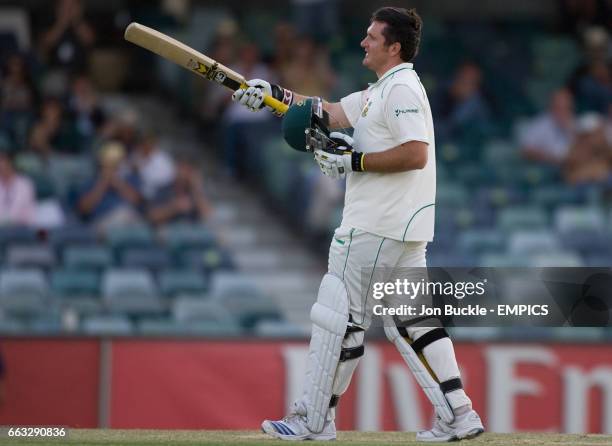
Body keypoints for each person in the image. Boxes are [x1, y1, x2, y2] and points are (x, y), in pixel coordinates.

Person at [232, 7, 483, 442]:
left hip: (375, 227)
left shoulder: (401, 90)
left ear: (394, 46)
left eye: (372, 37)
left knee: (338, 319)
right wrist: (272, 96)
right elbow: (325, 112)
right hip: (399, 228)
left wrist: (354, 160)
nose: (363, 43)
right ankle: (459, 413)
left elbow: (415, 152)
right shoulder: (380, 91)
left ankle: (312, 421)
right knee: (413, 323)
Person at [76, 141, 142, 232]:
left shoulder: (130, 178)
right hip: (101, 223)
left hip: (130, 220)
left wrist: (116, 182)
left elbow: (136, 201)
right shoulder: (91, 181)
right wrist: (103, 183)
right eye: (108, 162)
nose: (111, 166)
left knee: (130, 217)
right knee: (123, 216)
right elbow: (84, 209)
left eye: (115, 162)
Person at [147, 155, 212, 225]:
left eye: (189, 170)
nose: (184, 173)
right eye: (182, 168)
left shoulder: (194, 192)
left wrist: (196, 188)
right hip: (170, 232)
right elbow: (152, 216)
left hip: (190, 233)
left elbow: (208, 215)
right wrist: (174, 207)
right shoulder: (164, 189)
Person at [518, 88, 576, 165]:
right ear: (551, 107)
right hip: (548, 167)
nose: (563, 112)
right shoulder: (541, 124)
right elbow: (525, 150)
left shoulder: (576, 124)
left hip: (573, 166)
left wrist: (571, 131)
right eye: (559, 108)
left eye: (566, 108)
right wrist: (549, 158)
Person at [0, 148, 36, 226]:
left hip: (20, 229)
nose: (1, 166)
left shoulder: (25, 184)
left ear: (10, 163)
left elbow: (28, 213)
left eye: (3, 161)